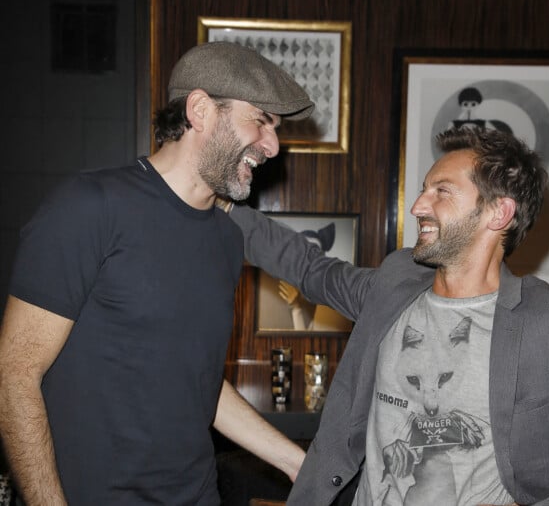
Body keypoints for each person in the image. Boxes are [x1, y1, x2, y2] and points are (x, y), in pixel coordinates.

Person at [0, 41, 314, 505]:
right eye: (262, 120)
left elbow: (198, 382)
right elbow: (14, 374)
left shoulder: (227, 241)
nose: (272, 145)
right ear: (202, 110)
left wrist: (294, 461)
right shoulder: (90, 207)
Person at [223, 126, 549, 505]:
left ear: (499, 212)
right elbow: (312, 269)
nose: (418, 207)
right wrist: (223, 207)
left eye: (441, 191)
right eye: (425, 189)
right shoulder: (397, 280)